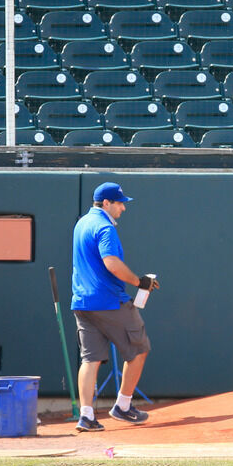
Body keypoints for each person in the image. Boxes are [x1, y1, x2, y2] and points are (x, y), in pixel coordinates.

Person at [71, 182, 160, 432]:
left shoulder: (82, 223)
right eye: (119, 203)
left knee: (90, 360)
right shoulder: (104, 227)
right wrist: (139, 281)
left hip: (82, 302)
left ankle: (86, 416)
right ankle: (123, 405)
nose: (123, 208)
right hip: (108, 301)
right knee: (140, 349)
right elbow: (111, 263)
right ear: (106, 203)